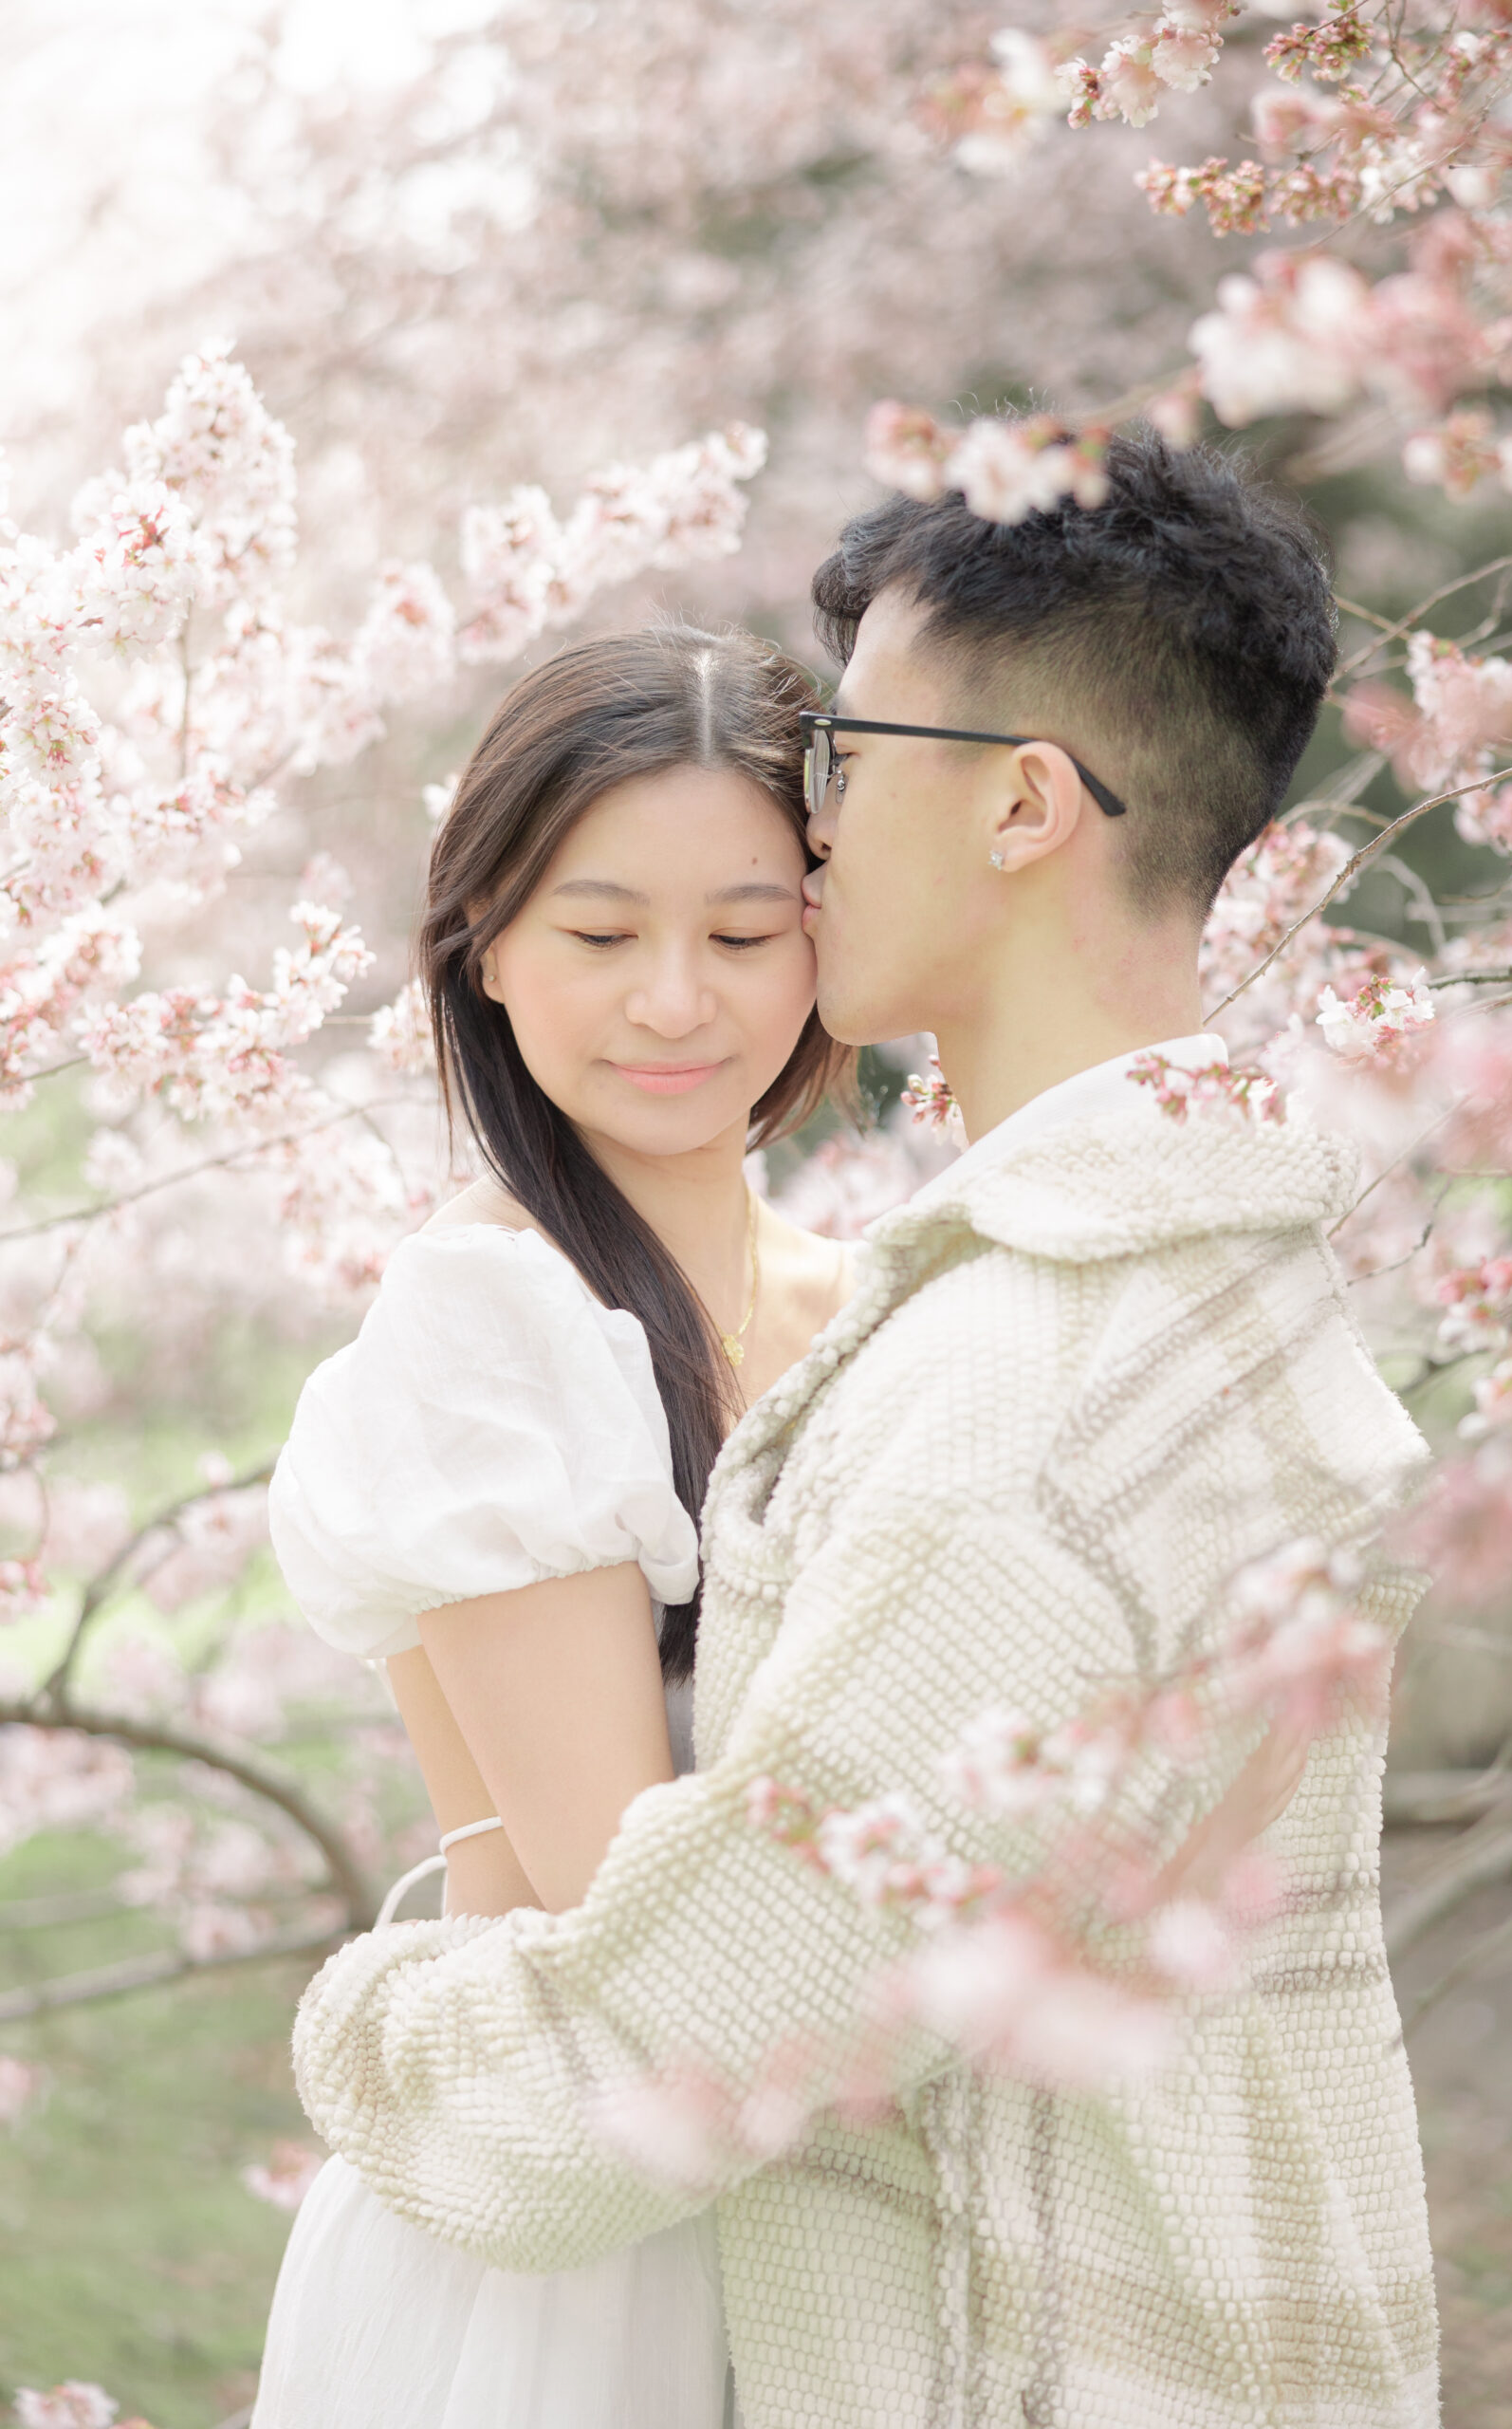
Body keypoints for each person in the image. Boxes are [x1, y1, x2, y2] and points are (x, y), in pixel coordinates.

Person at [291, 431, 1442, 2428]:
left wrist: (358, 2017)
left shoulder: (1021, 1387)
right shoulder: (1222, 1290)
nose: (814, 823)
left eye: (848, 756)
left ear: (1016, 802)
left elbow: (663, 2041)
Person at [251, 622, 857, 2429]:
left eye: (747, 933)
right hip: (581, 2237)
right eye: (602, 935)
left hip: (828, 2194)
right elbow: (624, 1889)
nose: (679, 1000)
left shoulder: (879, 1292)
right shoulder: (491, 1322)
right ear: (487, 947)